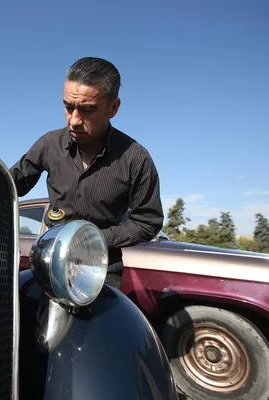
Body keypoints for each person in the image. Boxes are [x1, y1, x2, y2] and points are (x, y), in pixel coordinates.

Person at [9, 57, 164, 289]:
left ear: (113, 108)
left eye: (87, 110)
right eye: (68, 107)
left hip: (101, 276)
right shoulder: (48, 145)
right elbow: (9, 185)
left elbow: (148, 221)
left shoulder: (136, 159)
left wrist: (93, 240)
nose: (74, 121)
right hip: (49, 268)